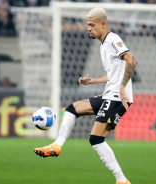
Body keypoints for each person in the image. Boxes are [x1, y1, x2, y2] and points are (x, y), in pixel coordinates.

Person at [34, 8, 138, 184]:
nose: (89, 28)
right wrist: (94, 81)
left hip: (118, 98)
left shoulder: (113, 39)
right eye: (87, 25)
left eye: (92, 25)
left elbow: (132, 60)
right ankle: (57, 145)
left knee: (96, 139)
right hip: (109, 95)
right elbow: (114, 74)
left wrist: (122, 87)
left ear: (103, 24)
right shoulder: (103, 44)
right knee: (72, 108)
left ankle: (121, 180)